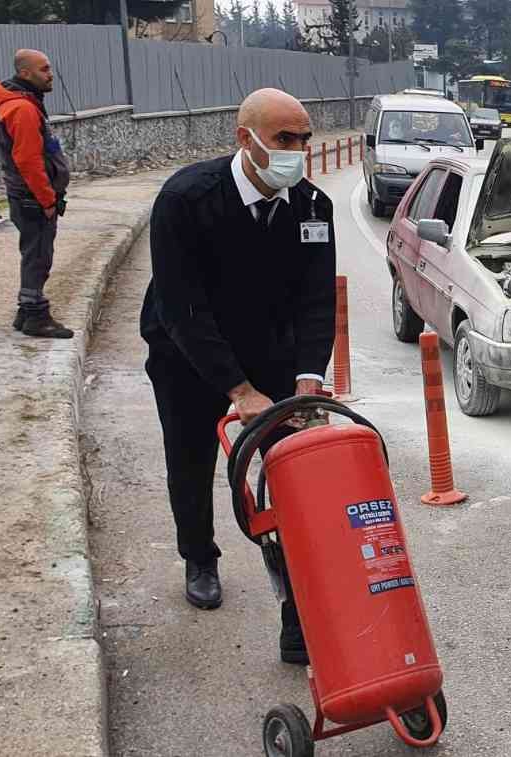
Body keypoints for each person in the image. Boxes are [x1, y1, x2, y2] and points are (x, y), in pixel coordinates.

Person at [140, 88, 334, 665]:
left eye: (304, 139)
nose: (297, 152)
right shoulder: (186, 199)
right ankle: (199, 555)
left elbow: (317, 301)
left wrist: (306, 379)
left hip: (269, 354)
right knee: (192, 459)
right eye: (283, 140)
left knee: (293, 478)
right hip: (186, 352)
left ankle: (298, 614)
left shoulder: (312, 206)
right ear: (243, 138)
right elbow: (182, 307)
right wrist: (237, 390)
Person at [0, 49, 73, 338]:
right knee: (38, 256)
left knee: (34, 254)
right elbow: (28, 159)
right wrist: (47, 198)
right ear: (25, 74)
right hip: (32, 198)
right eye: (44, 69)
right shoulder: (22, 109)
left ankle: (26, 312)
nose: (51, 74)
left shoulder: (22, 104)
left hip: (27, 196)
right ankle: (36, 316)